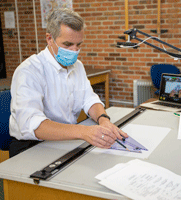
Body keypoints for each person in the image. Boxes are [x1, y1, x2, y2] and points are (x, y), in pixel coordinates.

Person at [9, 8, 128, 158]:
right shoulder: (29, 71)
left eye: (78, 45)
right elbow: (31, 124)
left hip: (67, 139)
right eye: (67, 44)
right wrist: (84, 132)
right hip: (32, 146)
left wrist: (103, 120)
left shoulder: (77, 66)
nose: (74, 50)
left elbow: (89, 99)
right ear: (49, 39)